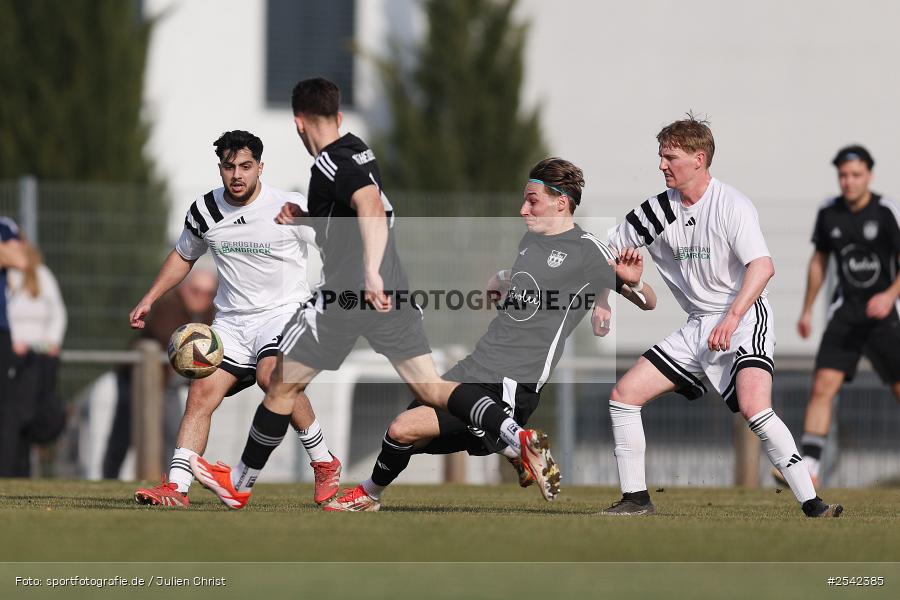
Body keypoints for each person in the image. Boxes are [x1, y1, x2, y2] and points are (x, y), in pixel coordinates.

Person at [190, 78, 558, 509]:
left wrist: (369, 271)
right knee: (432, 388)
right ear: (339, 117)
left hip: (347, 298)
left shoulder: (329, 163)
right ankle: (516, 437)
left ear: (298, 123)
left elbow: (368, 207)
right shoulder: (360, 150)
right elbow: (360, 212)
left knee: (280, 385)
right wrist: (306, 218)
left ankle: (240, 483)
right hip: (394, 296)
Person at [324, 157, 656, 512]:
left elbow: (647, 300)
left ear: (561, 202)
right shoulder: (530, 240)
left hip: (512, 381)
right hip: (477, 365)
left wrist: (627, 288)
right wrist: (503, 278)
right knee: (407, 434)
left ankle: (369, 494)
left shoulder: (586, 249)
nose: (522, 209)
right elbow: (531, 275)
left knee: (402, 428)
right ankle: (513, 447)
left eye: (532, 200)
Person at [600, 115, 842, 518]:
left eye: (670, 157)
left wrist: (731, 318)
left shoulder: (731, 204)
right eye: (660, 156)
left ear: (699, 159)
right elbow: (606, 254)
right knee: (623, 398)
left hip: (744, 319)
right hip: (698, 325)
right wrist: (611, 295)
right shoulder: (656, 211)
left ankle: (812, 503)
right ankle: (636, 500)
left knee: (754, 407)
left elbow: (762, 267)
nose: (661, 165)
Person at [130, 130, 341, 507]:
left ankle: (324, 462)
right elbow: (183, 256)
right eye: (229, 167)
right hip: (231, 324)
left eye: (246, 166)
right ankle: (176, 488)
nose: (237, 175)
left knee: (271, 378)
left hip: (283, 316)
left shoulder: (289, 206)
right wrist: (150, 297)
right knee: (200, 392)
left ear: (261, 167)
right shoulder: (205, 210)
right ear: (221, 169)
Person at [785, 145, 900, 487]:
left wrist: (889, 295)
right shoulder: (829, 212)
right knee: (823, 386)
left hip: (883, 317)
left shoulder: (885, 211)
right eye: (843, 176)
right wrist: (806, 309)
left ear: (869, 176)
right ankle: (810, 467)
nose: (848, 182)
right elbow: (819, 262)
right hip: (845, 315)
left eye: (855, 175)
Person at [102, 269, 217, 479]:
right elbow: (174, 342)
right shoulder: (168, 307)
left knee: (171, 432)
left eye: (208, 294)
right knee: (124, 431)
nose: (202, 298)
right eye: (196, 291)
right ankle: (109, 476)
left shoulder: (211, 313)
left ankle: (169, 479)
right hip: (138, 377)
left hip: (170, 382)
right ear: (184, 289)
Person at [6, 240, 68, 476]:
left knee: (39, 415)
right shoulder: (7, 277)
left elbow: (57, 313)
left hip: (40, 357)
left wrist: (51, 342)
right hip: (14, 357)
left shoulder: (42, 275)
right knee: (14, 418)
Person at [0, 216, 29, 477]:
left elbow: (20, 259)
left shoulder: (4, 226)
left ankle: (5, 473)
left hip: (1, 332)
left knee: (6, 406)